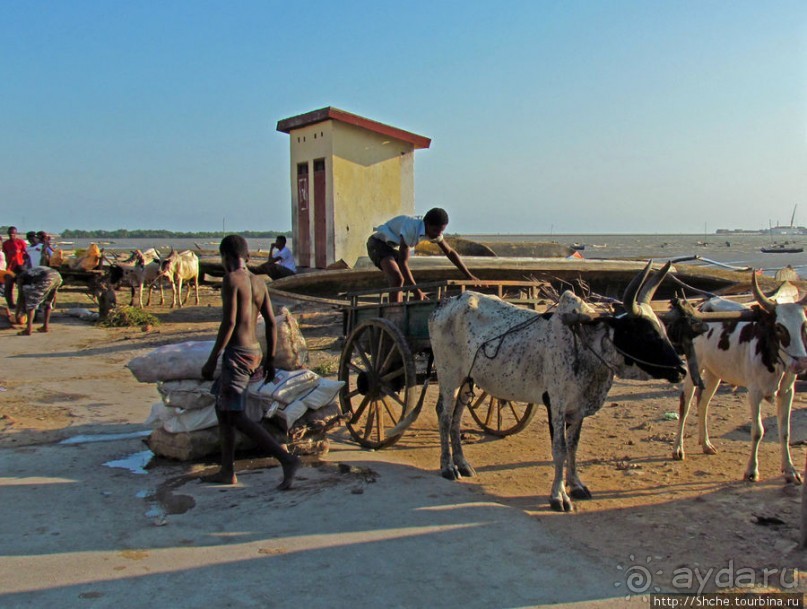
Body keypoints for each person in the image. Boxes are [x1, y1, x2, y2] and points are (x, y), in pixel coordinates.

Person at [201, 234, 300, 489]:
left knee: (235, 415)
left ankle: (286, 459)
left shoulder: (231, 279)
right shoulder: (258, 282)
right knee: (222, 409)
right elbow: (269, 321)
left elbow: (230, 322)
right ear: (246, 256)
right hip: (254, 351)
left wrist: (213, 359)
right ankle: (227, 470)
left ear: (225, 258)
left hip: (237, 352)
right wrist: (268, 359)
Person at [367, 207, 478, 302]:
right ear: (426, 225)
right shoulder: (411, 230)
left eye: (441, 231)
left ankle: (398, 305)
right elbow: (403, 262)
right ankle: (393, 311)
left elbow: (449, 252)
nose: (438, 234)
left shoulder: (435, 232)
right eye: (435, 230)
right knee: (397, 278)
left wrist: (469, 275)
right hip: (377, 245)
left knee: (403, 279)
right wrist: (417, 292)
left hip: (391, 247)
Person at [14, 266, 63, 335]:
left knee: (31, 304)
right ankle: (45, 326)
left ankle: (28, 329)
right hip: (57, 276)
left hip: (45, 278)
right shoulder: (31, 271)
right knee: (48, 303)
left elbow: (20, 296)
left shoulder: (21, 276)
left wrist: (17, 315)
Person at [2, 227, 27, 310]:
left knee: (21, 287)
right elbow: (5, 255)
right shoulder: (6, 243)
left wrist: (25, 264)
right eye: (10, 234)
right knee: (8, 287)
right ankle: (10, 304)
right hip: (10, 267)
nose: (11, 235)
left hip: (20, 266)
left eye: (13, 233)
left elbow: (26, 254)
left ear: (16, 233)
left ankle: (21, 304)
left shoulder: (20, 242)